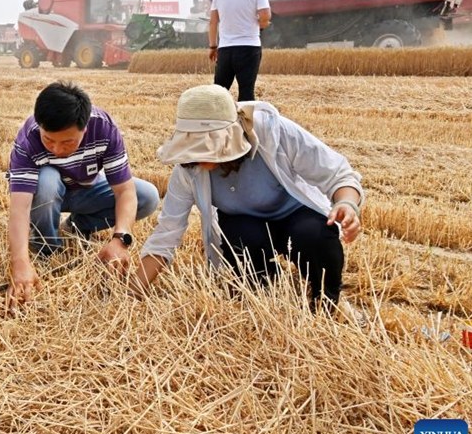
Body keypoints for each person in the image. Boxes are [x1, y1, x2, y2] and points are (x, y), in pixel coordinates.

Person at [134, 84, 363, 312]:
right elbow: (167, 232)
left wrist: (346, 203)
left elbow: (338, 174)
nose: (201, 155)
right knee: (242, 244)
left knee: (315, 236)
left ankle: (329, 300)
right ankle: (266, 285)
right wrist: (132, 291)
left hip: (297, 216)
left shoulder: (274, 132)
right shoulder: (187, 170)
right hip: (244, 226)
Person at [6, 81, 160, 310]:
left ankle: (77, 227)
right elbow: (20, 207)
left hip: (87, 190)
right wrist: (19, 262)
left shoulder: (104, 128)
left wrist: (121, 239)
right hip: (46, 195)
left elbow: (125, 191)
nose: (57, 150)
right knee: (47, 182)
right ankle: (46, 248)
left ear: (85, 129)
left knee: (147, 196)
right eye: (48, 140)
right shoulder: (28, 138)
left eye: (67, 142)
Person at [209, 0, 271, 102]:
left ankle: (215, 117)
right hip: (248, 47)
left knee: (219, 94)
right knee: (246, 93)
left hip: (225, 50)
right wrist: (261, 25)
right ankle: (244, 118)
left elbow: (213, 22)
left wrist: (213, 46)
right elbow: (265, 16)